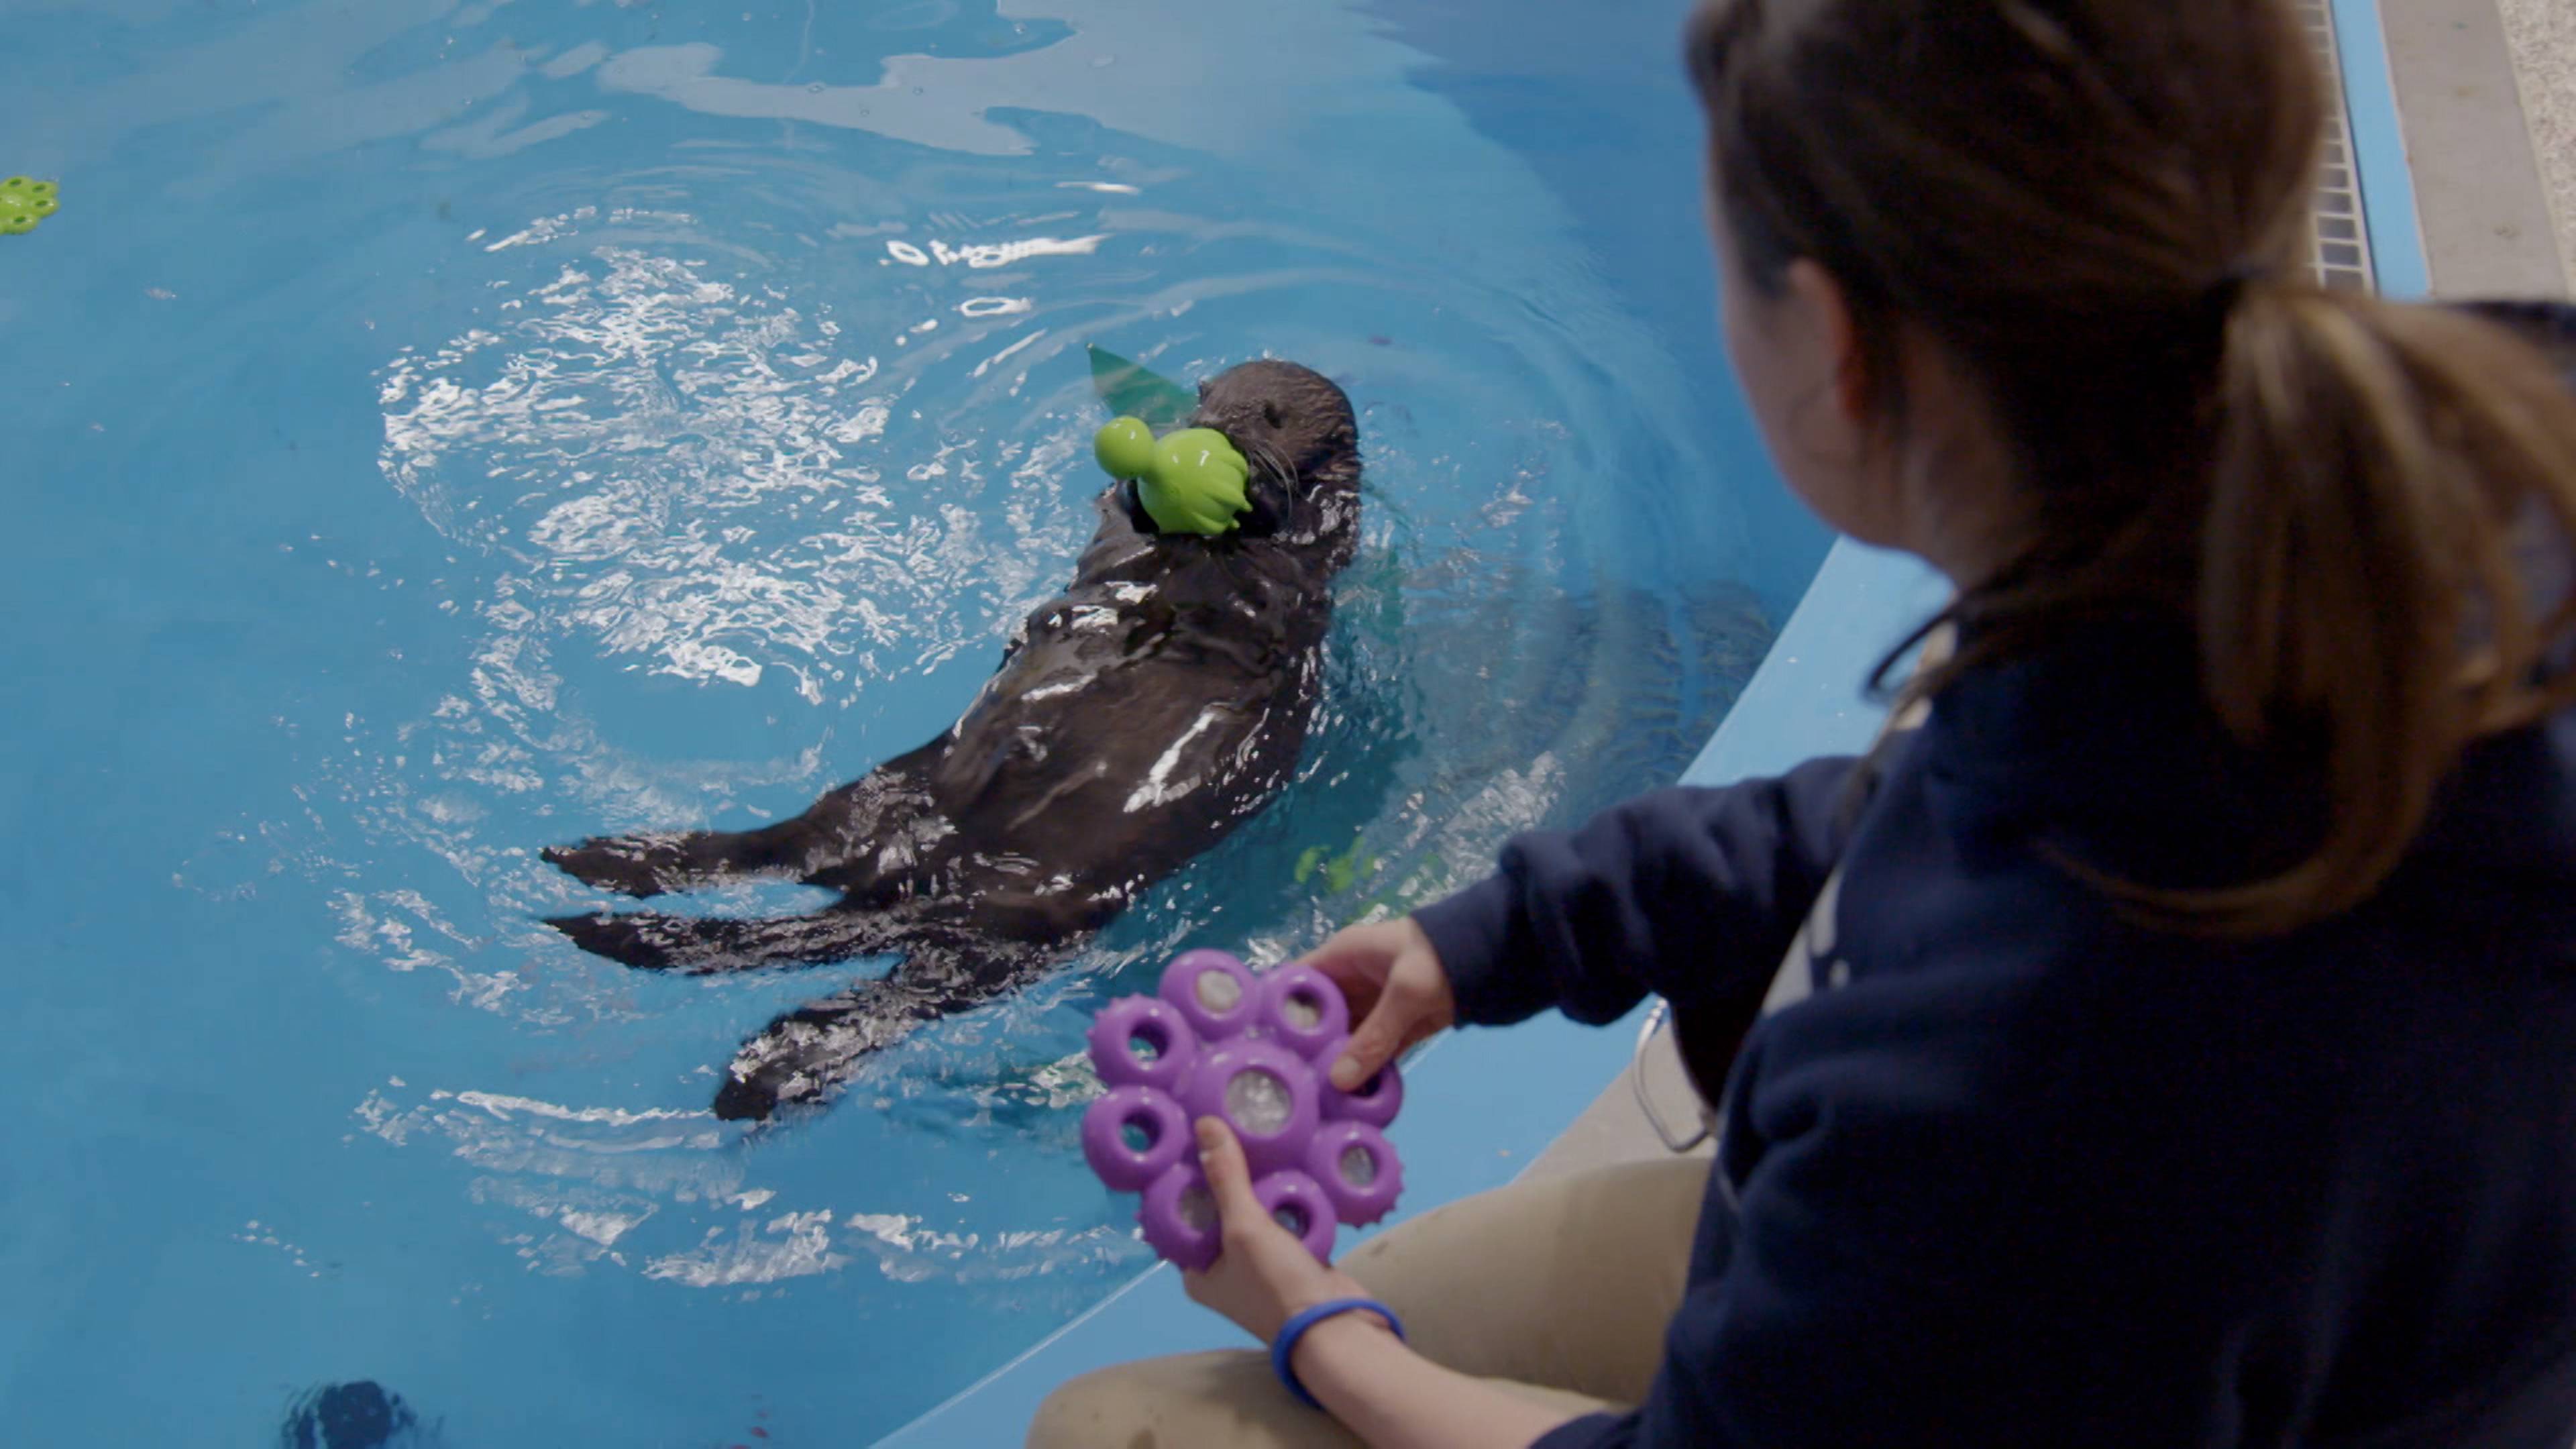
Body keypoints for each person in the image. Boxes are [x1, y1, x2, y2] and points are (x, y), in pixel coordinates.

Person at [1028, 0, 2576, 1442]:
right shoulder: (2342, 510)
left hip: (2003, 1307)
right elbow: (1927, 814)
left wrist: (1325, 1332)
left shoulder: (2024, 1077)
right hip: (2246, 1309)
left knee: (1101, 1430)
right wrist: (1498, 936)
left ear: (1836, 348)